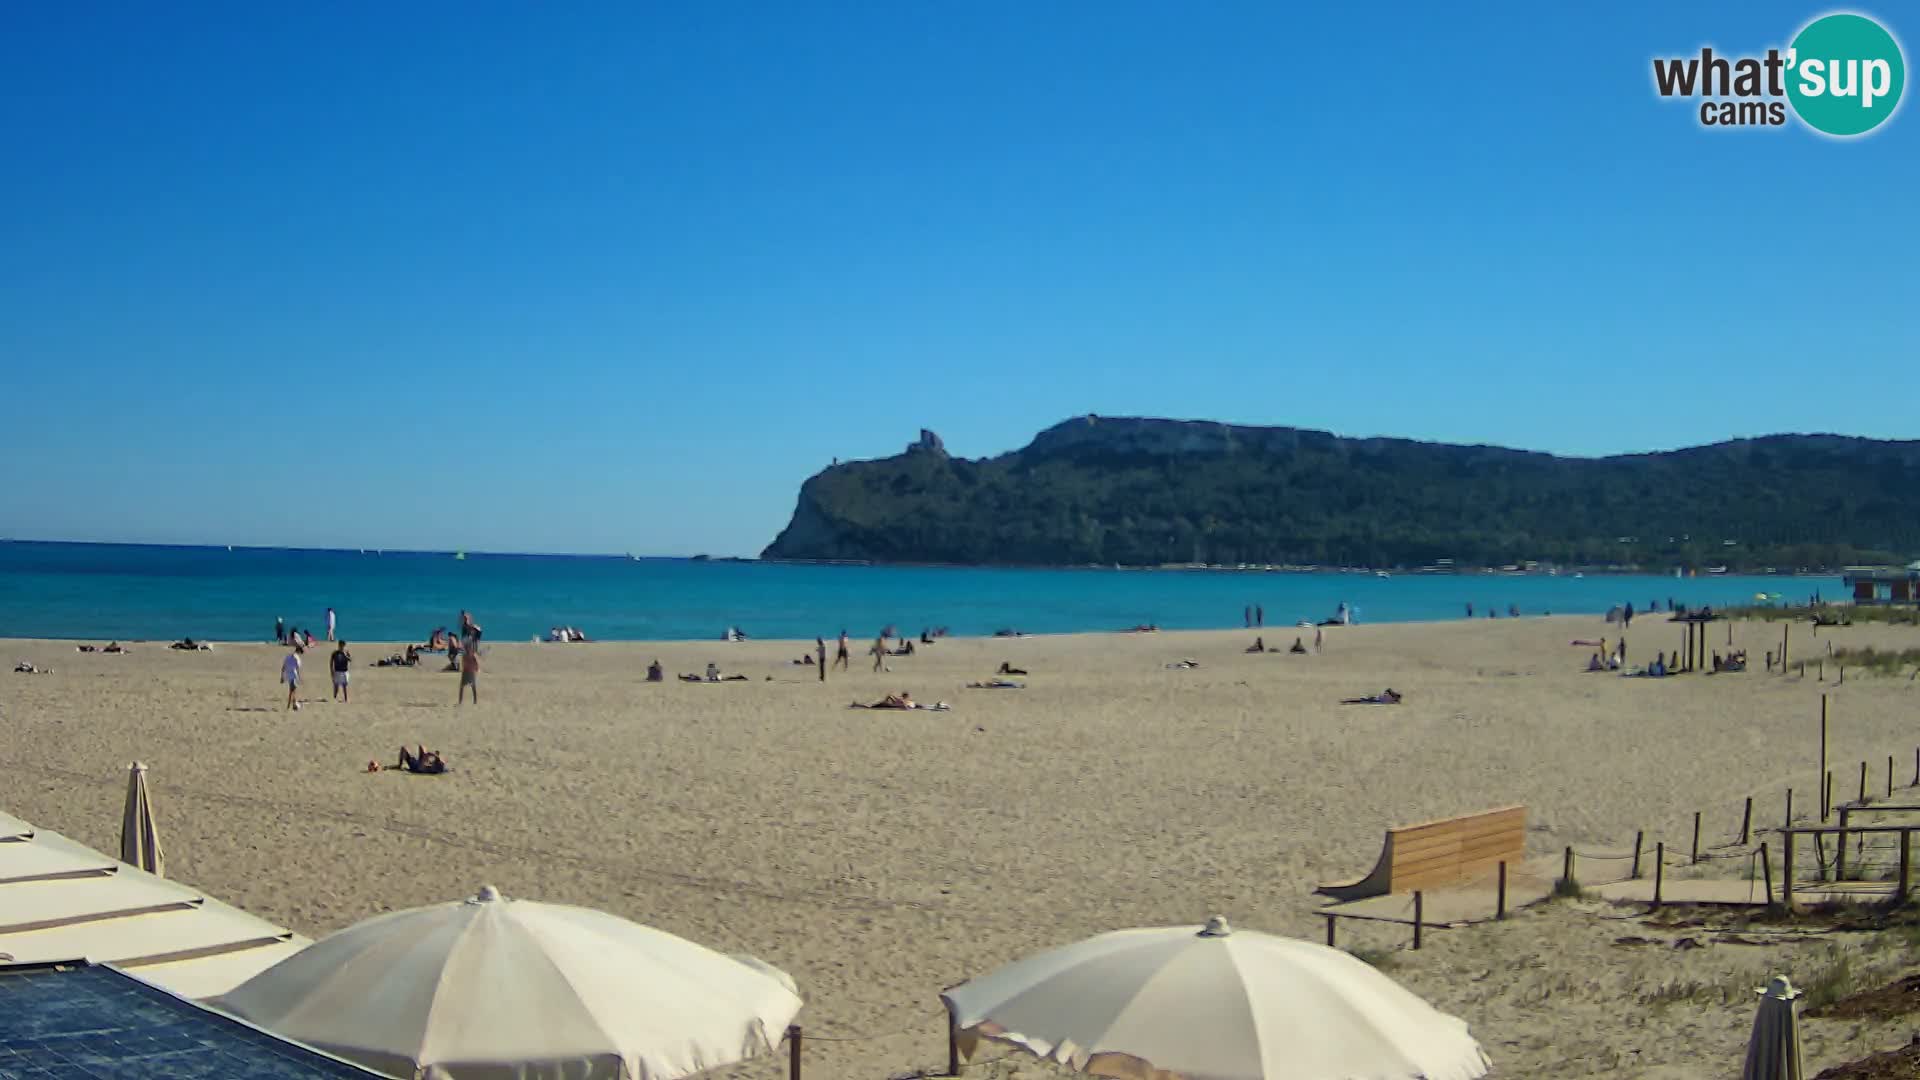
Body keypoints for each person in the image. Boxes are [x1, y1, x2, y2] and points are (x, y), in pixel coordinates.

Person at [281, 646, 302, 710]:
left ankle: (293, 705)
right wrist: (299, 677)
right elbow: (297, 668)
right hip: (294, 675)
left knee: (293, 690)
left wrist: (282, 676)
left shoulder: (288, 657)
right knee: (292, 691)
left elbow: (283, 667)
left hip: (288, 675)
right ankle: (289, 706)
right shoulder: (297, 658)